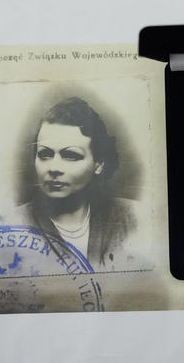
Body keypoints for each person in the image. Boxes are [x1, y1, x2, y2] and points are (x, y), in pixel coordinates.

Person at [11, 97, 148, 273]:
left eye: (71, 156)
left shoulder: (134, 218)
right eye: (45, 154)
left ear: (98, 164)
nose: (53, 168)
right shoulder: (12, 225)